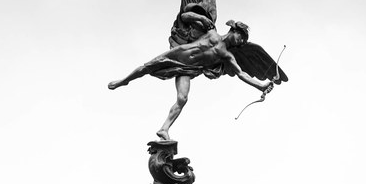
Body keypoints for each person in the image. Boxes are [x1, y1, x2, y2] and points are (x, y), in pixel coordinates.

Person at [108, 20, 274, 140]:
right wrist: (196, 16)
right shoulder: (211, 31)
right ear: (234, 30)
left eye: (244, 40)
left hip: (186, 70)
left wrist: (260, 86)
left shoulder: (227, 55)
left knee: (182, 98)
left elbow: (241, 74)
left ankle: (164, 129)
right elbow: (188, 15)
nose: (241, 41)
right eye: (241, 36)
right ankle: (124, 80)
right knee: (146, 67)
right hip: (176, 54)